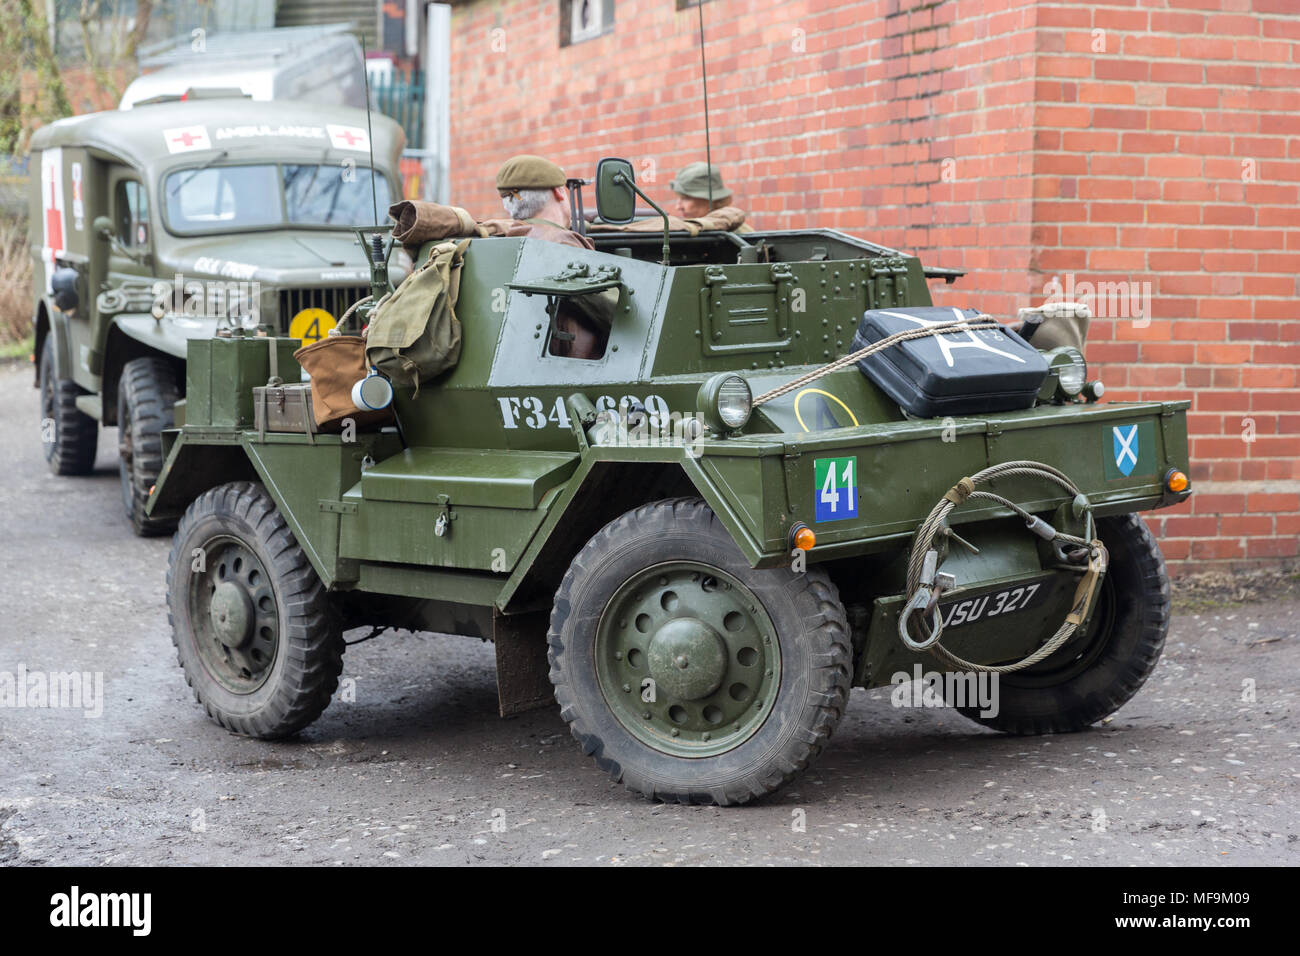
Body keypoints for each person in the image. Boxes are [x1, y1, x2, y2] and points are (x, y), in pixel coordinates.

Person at [495, 155, 614, 359]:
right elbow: (620, 312)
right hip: (578, 373)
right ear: (559, 192)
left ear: (509, 205)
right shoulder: (562, 246)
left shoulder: (504, 244)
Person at [670, 162, 754, 233]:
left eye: (686, 198)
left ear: (710, 199)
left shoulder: (736, 234)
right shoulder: (693, 232)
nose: (678, 207)